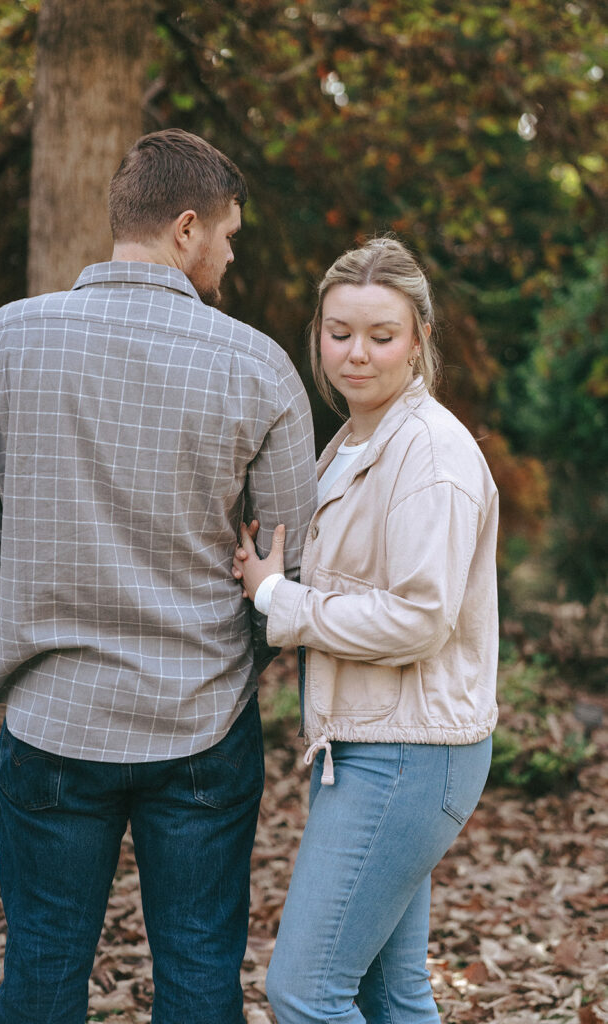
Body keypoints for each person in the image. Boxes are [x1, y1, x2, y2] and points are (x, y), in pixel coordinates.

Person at [0, 128, 317, 1024]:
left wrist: (17, 654)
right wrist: (238, 661)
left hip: (51, 719)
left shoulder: (2, 341)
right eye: (227, 234)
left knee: (39, 972)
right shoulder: (257, 365)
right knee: (195, 977)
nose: (229, 253)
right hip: (199, 721)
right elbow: (290, 556)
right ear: (186, 228)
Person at [233, 235, 498, 1023]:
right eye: (338, 333)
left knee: (305, 994)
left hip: (409, 757)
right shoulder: (355, 439)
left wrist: (279, 601)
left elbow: (419, 618)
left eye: (381, 336)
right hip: (372, 745)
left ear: (419, 338)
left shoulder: (430, 454)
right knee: (391, 995)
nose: (356, 355)